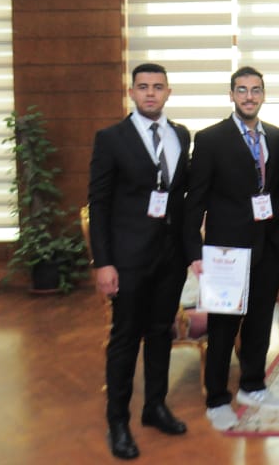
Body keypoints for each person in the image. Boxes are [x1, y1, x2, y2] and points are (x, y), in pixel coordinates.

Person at [88, 63, 190, 460]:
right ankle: (118, 422)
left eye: (158, 87)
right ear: (131, 92)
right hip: (128, 259)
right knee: (125, 338)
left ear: (168, 93)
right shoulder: (111, 138)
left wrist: (192, 253)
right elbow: (99, 204)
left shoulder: (181, 135)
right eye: (143, 87)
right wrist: (103, 263)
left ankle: (155, 407)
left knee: (161, 332)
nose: (150, 93)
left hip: (170, 258)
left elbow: (180, 198)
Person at [183, 66, 279, 430]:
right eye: (242, 90)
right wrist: (194, 251)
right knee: (223, 327)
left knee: (261, 319)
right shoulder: (210, 139)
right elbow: (195, 199)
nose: (249, 96)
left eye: (255, 90)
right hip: (225, 252)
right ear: (231, 95)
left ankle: (252, 386)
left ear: (263, 95)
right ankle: (216, 399)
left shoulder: (276, 137)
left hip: (268, 247)